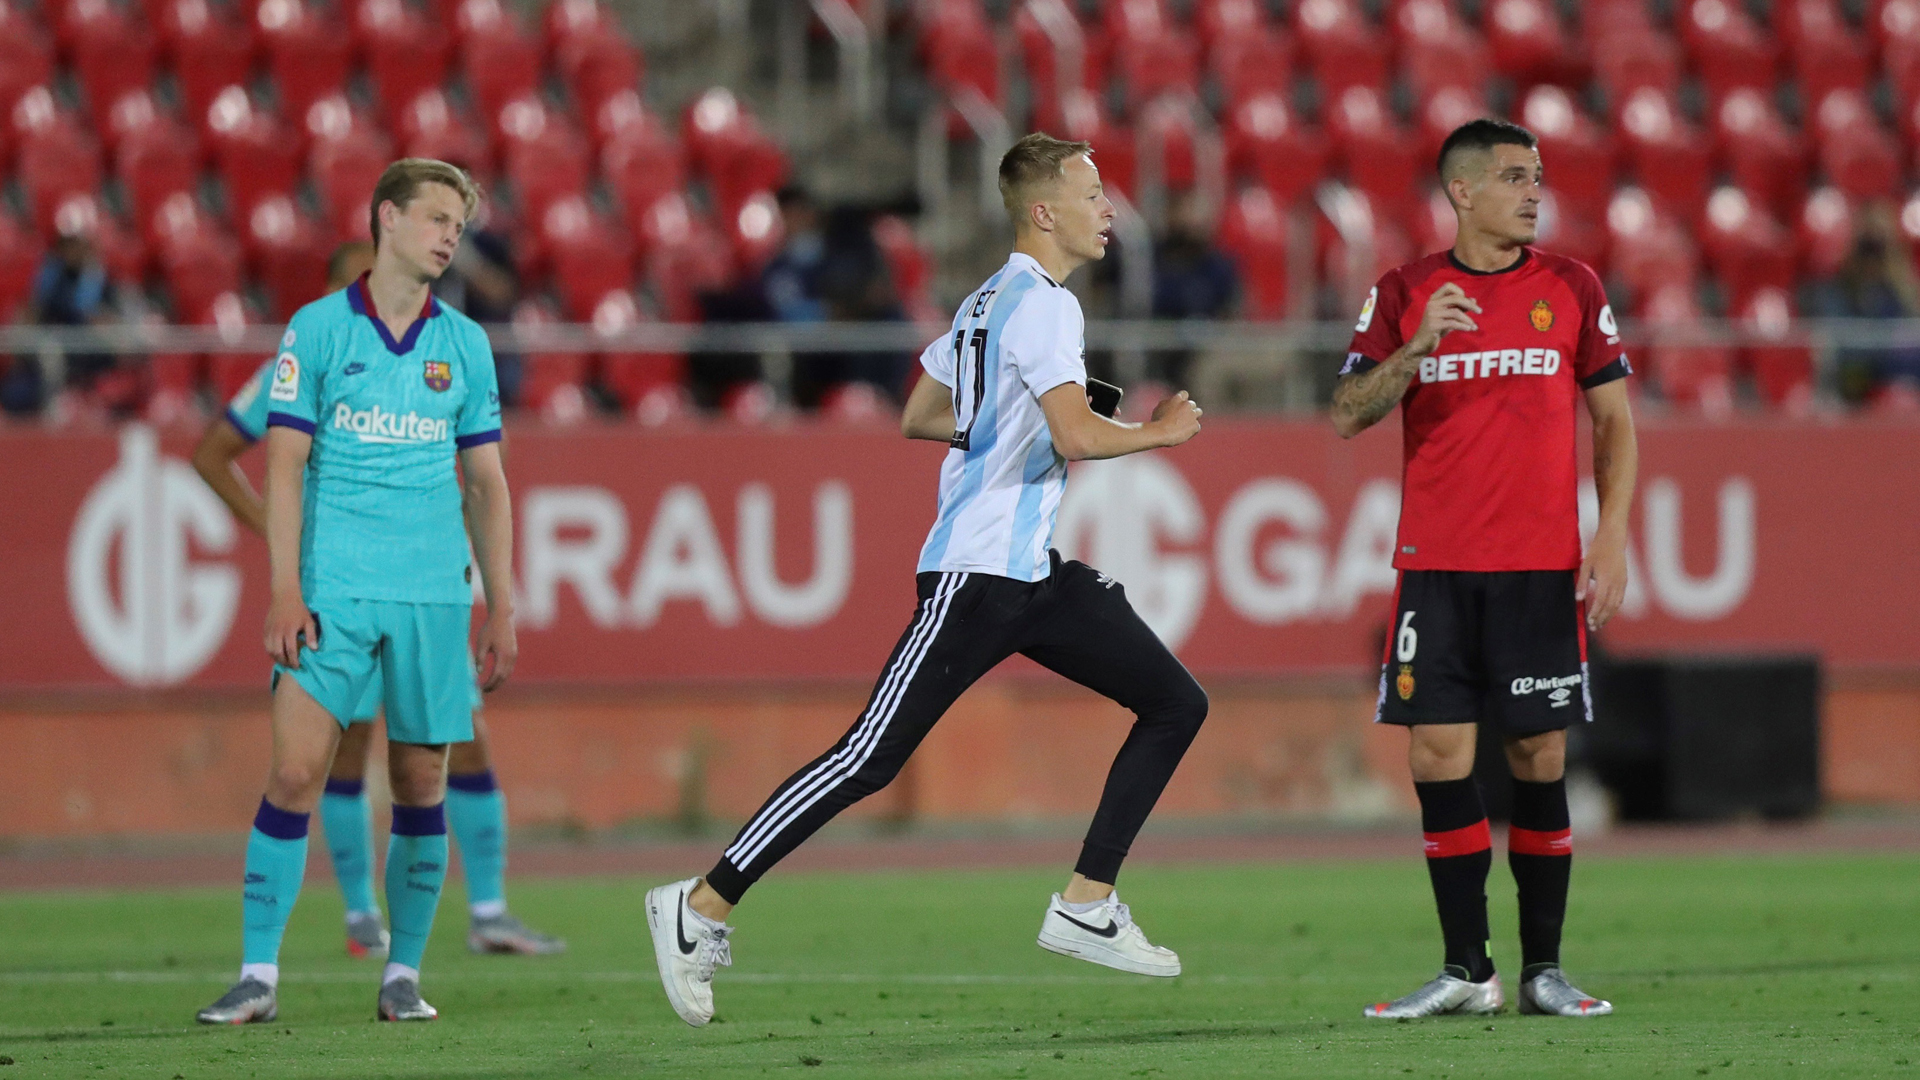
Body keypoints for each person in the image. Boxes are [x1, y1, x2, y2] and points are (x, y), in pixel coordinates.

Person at [643, 132, 1210, 1028]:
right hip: (978, 573)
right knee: (870, 757)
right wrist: (1157, 431)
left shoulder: (987, 301)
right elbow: (1076, 440)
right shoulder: (1048, 307)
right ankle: (699, 902)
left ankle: (1086, 901)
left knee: (1177, 701)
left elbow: (921, 416)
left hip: (1028, 573)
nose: (1109, 209)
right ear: (1043, 210)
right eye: (1092, 193)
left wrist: (1006, 421)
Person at [194, 158, 516, 1025]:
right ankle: (258, 974)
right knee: (297, 770)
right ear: (388, 218)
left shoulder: (467, 346)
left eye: (460, 222)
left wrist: (504, 606)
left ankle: (401, 975)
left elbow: (486, 485)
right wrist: (284, 587)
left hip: (432, 597)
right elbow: (285, 463)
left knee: (419, 784)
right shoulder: (317, 330)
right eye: (438, 217)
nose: (452, 235)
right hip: (334, 590)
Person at [1332, 118, 1637, 1019]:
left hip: (1539, 566)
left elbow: (1615, 423)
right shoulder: (1403, 290)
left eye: (1537, 176)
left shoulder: (1573, 287)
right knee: (1436, 756)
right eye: (1513, 177)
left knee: (1540, 753)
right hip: (1438, 564)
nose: (1534, 192)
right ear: (1461, 192)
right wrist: (1416, 347)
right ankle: (1468, 969)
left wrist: (1611, 535)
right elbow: (1348, 410)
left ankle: (1544, 970)